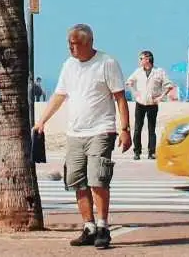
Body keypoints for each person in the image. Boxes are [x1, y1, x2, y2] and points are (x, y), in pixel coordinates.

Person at [33, 24, 129, 250]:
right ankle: (89, 227)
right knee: (77, 181)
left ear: (88, 43)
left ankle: (103, 227)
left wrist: (125, 129)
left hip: (101, 130)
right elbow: (59, 95)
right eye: (69, 43)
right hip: (75, 133)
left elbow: (120, 98)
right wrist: (42, 120)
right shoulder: (68, 65)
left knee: (98, 179)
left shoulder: (107, 63)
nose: (70, 48)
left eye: (74, 44)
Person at [124, 50, 171, 160]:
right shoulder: (138, 71)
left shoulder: (159, 71)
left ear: (147, 59)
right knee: (137, 129)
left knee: (151, 129)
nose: (139, 61)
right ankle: (137, 152)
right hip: (140, 103)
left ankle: (151, 152)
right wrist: (135, 94)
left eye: (141, 59)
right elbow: (129, 82)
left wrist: (161, 97)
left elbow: (169, 85)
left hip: (152, 103)